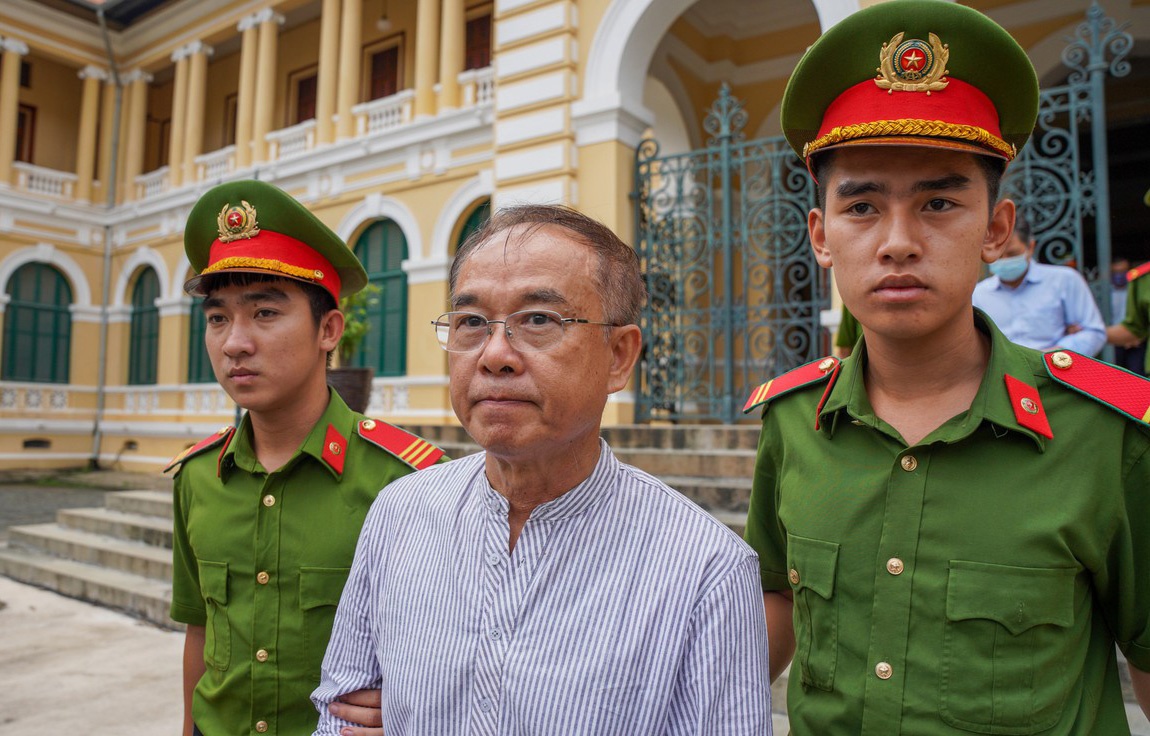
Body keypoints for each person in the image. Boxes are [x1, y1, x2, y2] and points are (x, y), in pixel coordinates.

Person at [743, 1, 1150, 733]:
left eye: (938, 202)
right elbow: (778, 599)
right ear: (821, 236)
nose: (898, 242)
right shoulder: (793, 421)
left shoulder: (1103, 431)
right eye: (862, 206)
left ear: (996, 228)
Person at [311, 205, 771, 735]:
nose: (495, 355)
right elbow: (338, 714)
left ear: (620, 356)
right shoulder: (400, 515)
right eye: (471, 323)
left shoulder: (704, 571)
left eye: (538, 320)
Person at [166, 180, 444, 736]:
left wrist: (416, 707)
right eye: (218, 318)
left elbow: (450, 652)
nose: (234, 343)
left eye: (265, 313)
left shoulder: (408, 482)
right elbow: (200, 632)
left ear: (328, 329)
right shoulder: (198, 476)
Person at [971, 211, 1105, 355]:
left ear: (1030, 247)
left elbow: (1094, 333)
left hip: (1054, 371)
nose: (1004, 260)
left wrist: (1054, 354)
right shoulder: (978, 294)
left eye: (1012, 254)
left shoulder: (1064, 281)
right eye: (998, 255)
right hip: (1001, 374)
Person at [1106, 256, 1146, 374]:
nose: (1119, 275)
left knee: (1137, 374)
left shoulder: (1136, 290)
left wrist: (1134, 336)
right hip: (1112, 341)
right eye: (1116, 272)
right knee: (1113, 375)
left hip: (1136, 341)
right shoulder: (1103, 293)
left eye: (1123, 272)